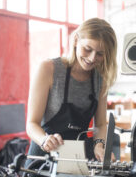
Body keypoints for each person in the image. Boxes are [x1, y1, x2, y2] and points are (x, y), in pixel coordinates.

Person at [25, 18, 117, 165]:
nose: (92, 58)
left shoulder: (101, 79)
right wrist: (44, 140)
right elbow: (31, 124)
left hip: (76, 159)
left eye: (100, 54)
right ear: (75, 40)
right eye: (88, 49)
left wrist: (99, 145)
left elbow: (100, 125)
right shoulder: (48, 69)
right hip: (43, 159)